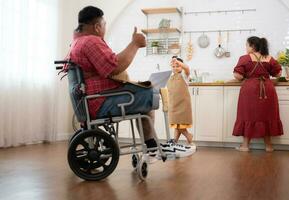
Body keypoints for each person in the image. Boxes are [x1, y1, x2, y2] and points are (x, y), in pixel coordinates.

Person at [68, 6, 158, 152]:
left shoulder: (77, 42)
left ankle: (150, 145)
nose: (104, 28)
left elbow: (108, 65)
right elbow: (114, 67)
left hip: (91, 101)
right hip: (100, 102)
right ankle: (151, 146)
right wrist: (135, 44)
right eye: (104, 25)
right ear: (97, 27)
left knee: (142, 94)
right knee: (149, 94)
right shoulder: (91, 41)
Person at [232, 36, 284, 152]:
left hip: (250, 89)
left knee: (247, 115)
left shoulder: (245, 58)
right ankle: (269, 146)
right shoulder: (269, 58)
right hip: (268, 89)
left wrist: (246, 76)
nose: (246, 47)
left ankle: (245, 146)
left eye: (247, 45)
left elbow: (238, 75)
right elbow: (278, 74)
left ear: (252, 46)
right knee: (267, 115)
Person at [167, 56, 194, 145]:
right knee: (176, 124)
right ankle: (176, 141)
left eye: (177, 66)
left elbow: (187, 68)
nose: (175, 68)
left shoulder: (184, 75)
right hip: (173, 103)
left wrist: (179, 62)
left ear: (181, 67)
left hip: (183, 103)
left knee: (179, 123)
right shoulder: (170, 76)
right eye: (173, 66)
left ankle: (188, 136)